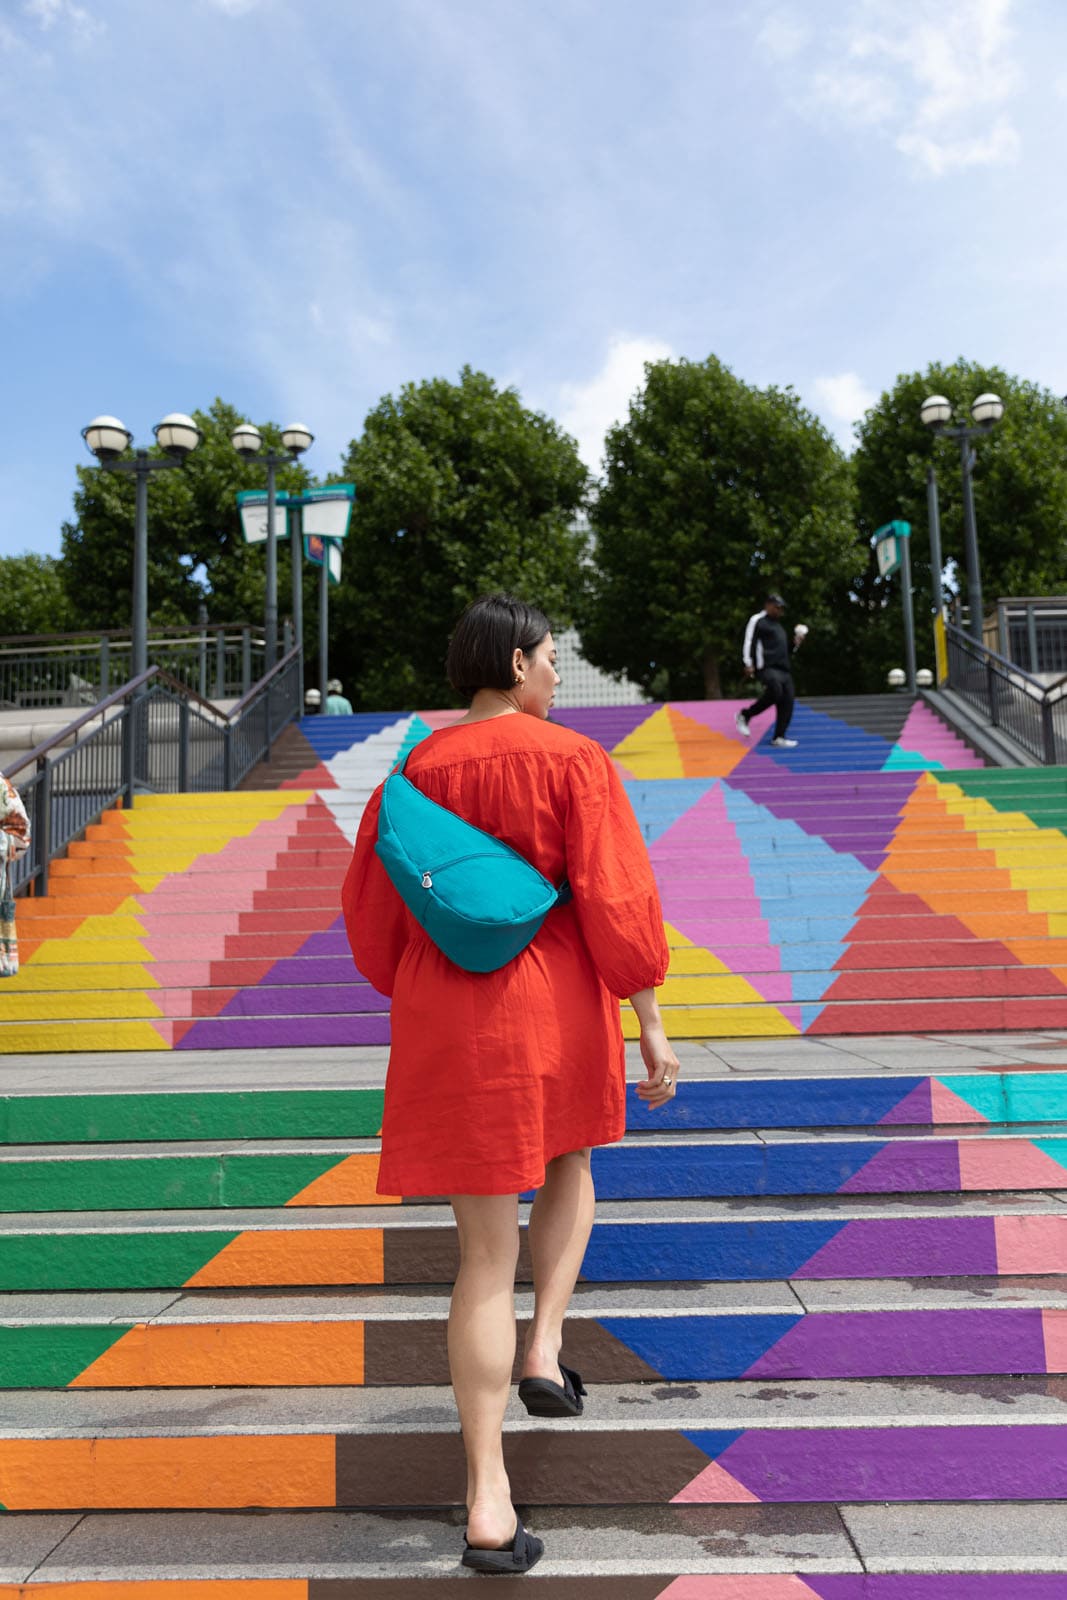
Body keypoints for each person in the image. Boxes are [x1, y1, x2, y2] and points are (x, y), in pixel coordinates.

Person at [342, 593, 679, 1576]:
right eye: (553, 659)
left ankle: (487, 1500)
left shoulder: (408, 771)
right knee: (572, 1153)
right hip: (559, 1000)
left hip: (449, 1016)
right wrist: (649, 1020)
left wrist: (433, 980)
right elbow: (618, 898)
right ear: (520, 662)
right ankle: (545, 1345)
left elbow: (372, 921)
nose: (558, 676)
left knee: (478, 1256)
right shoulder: (575, 760)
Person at [735, 592, 808, 749]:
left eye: (781, 609)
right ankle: (745, 715)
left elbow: (785, 651)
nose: (780, 611)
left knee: (787, 700)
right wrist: (748, 663)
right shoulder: (758, 620)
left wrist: (795, 643)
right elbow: (749, 641)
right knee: (775, 691)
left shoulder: (779, 627)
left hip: (784, 669)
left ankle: (779, 737)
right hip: (767, 667)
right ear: (767, 605)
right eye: (777, 607)